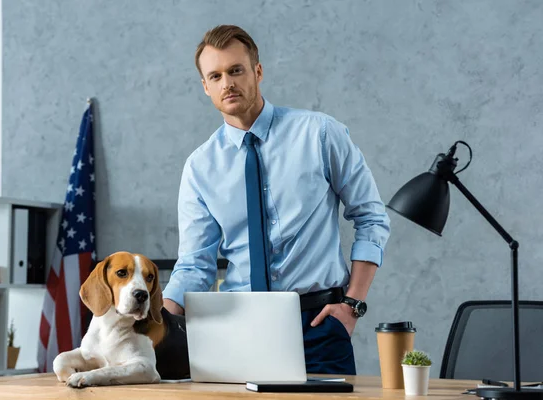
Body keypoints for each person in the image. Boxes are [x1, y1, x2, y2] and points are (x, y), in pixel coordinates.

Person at [162, 24, 391, 375]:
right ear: (205, 86)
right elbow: (195, 264)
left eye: (236, 70)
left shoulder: (319, 134)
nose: (228, 83)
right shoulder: (200, 167)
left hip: (319, 323)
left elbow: (372, 217)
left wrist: (353, 303)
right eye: (216, 75)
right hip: (237, 329)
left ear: (257, 71)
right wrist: (156, 327)